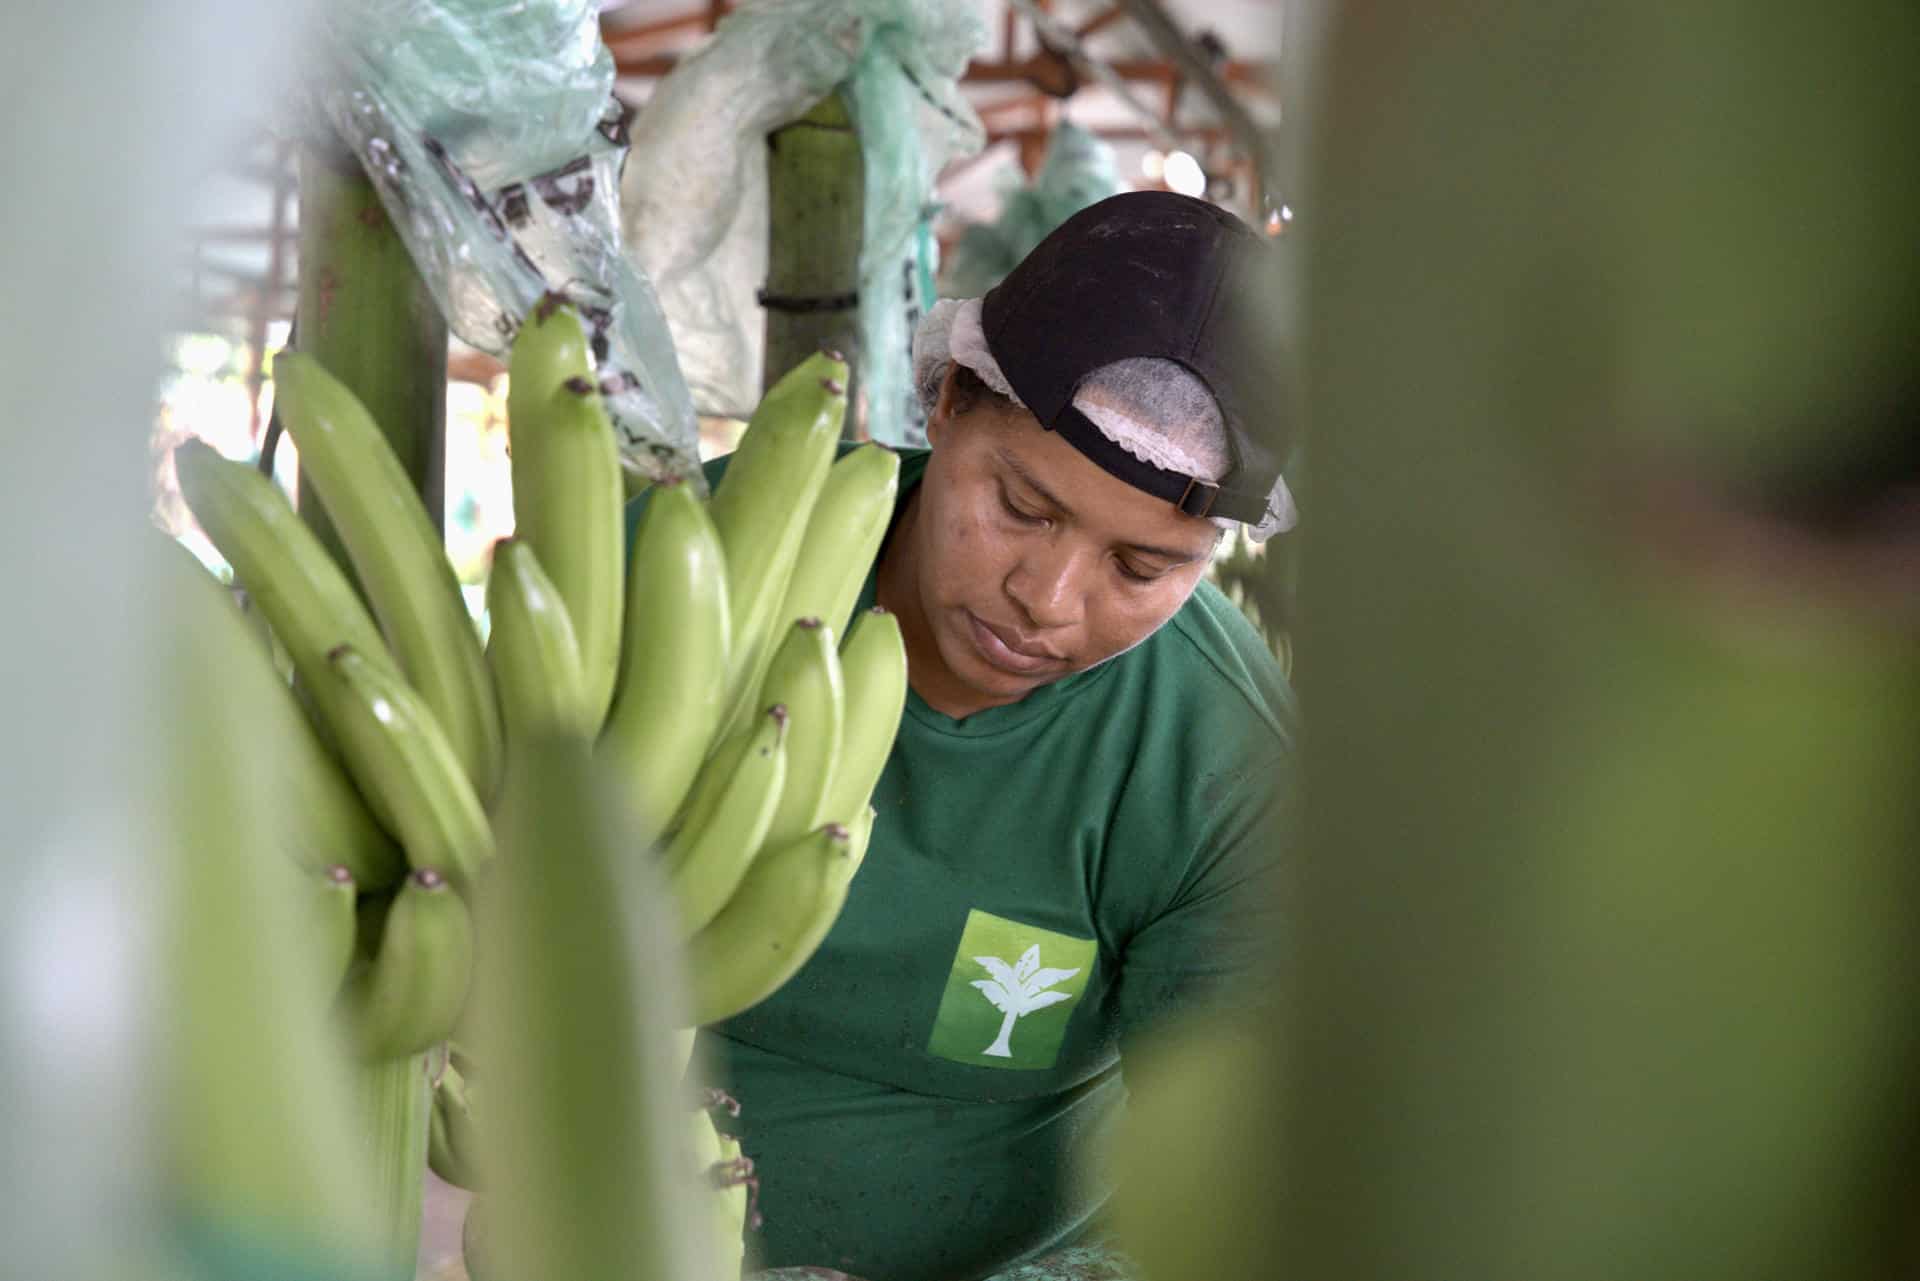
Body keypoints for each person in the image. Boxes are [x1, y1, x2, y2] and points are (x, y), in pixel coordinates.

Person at [690, 190, 1299, 1281]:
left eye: (1141, 568)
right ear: (949, 399)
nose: (1047, 599)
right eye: (1021, 505)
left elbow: (1227, 1194)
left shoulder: (1222, 757)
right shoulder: (712, 568)